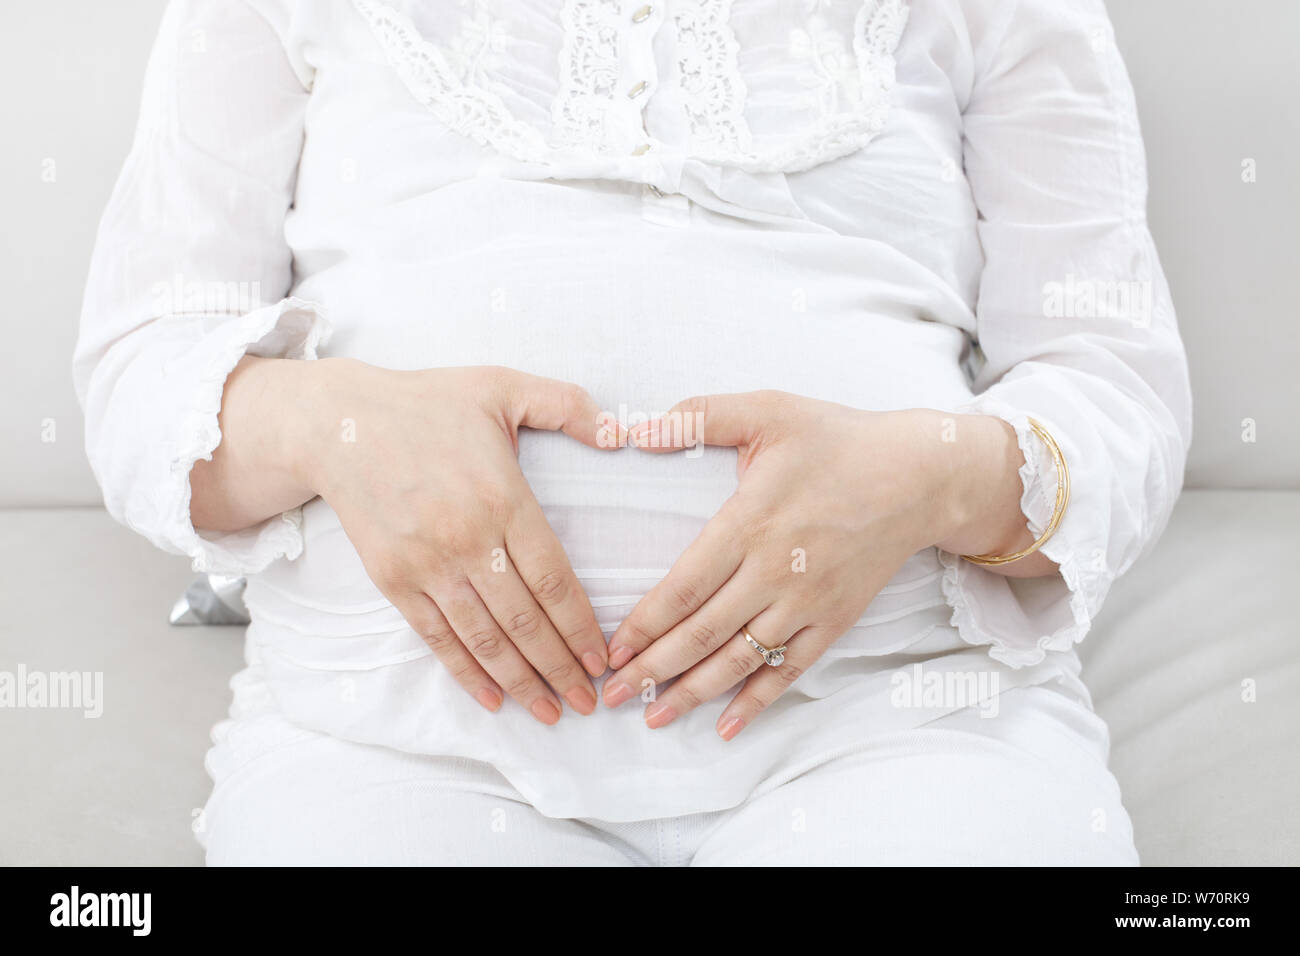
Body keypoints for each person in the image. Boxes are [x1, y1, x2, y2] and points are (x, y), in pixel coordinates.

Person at [74, 0, 1192, 865]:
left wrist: (931, 478)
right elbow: (142, 365)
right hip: (395, 739)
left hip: (904, 719)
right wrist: (337, 423)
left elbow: (1113, 381)